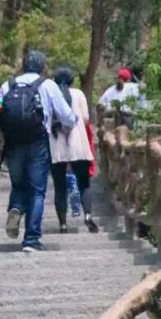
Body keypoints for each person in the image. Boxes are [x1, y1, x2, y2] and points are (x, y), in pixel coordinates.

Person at [0, 48, 76, 252]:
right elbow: (67, 116)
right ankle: (31, 240)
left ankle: (16, 208)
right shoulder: (48, 85)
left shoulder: (7, 85)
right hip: (37, 142)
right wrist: (72, 121)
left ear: (23, 65)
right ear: (42, 67)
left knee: (19, 184)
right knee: (37, 190)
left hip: (12, 142)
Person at [49, 64, 99, 235]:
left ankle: (63, 224)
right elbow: (85, 119)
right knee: (84, 183)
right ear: (71, 80)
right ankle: (87, 216)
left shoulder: (50, 94)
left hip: (57, 147)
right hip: (78, 145)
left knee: (60, 186)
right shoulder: (78, 94)